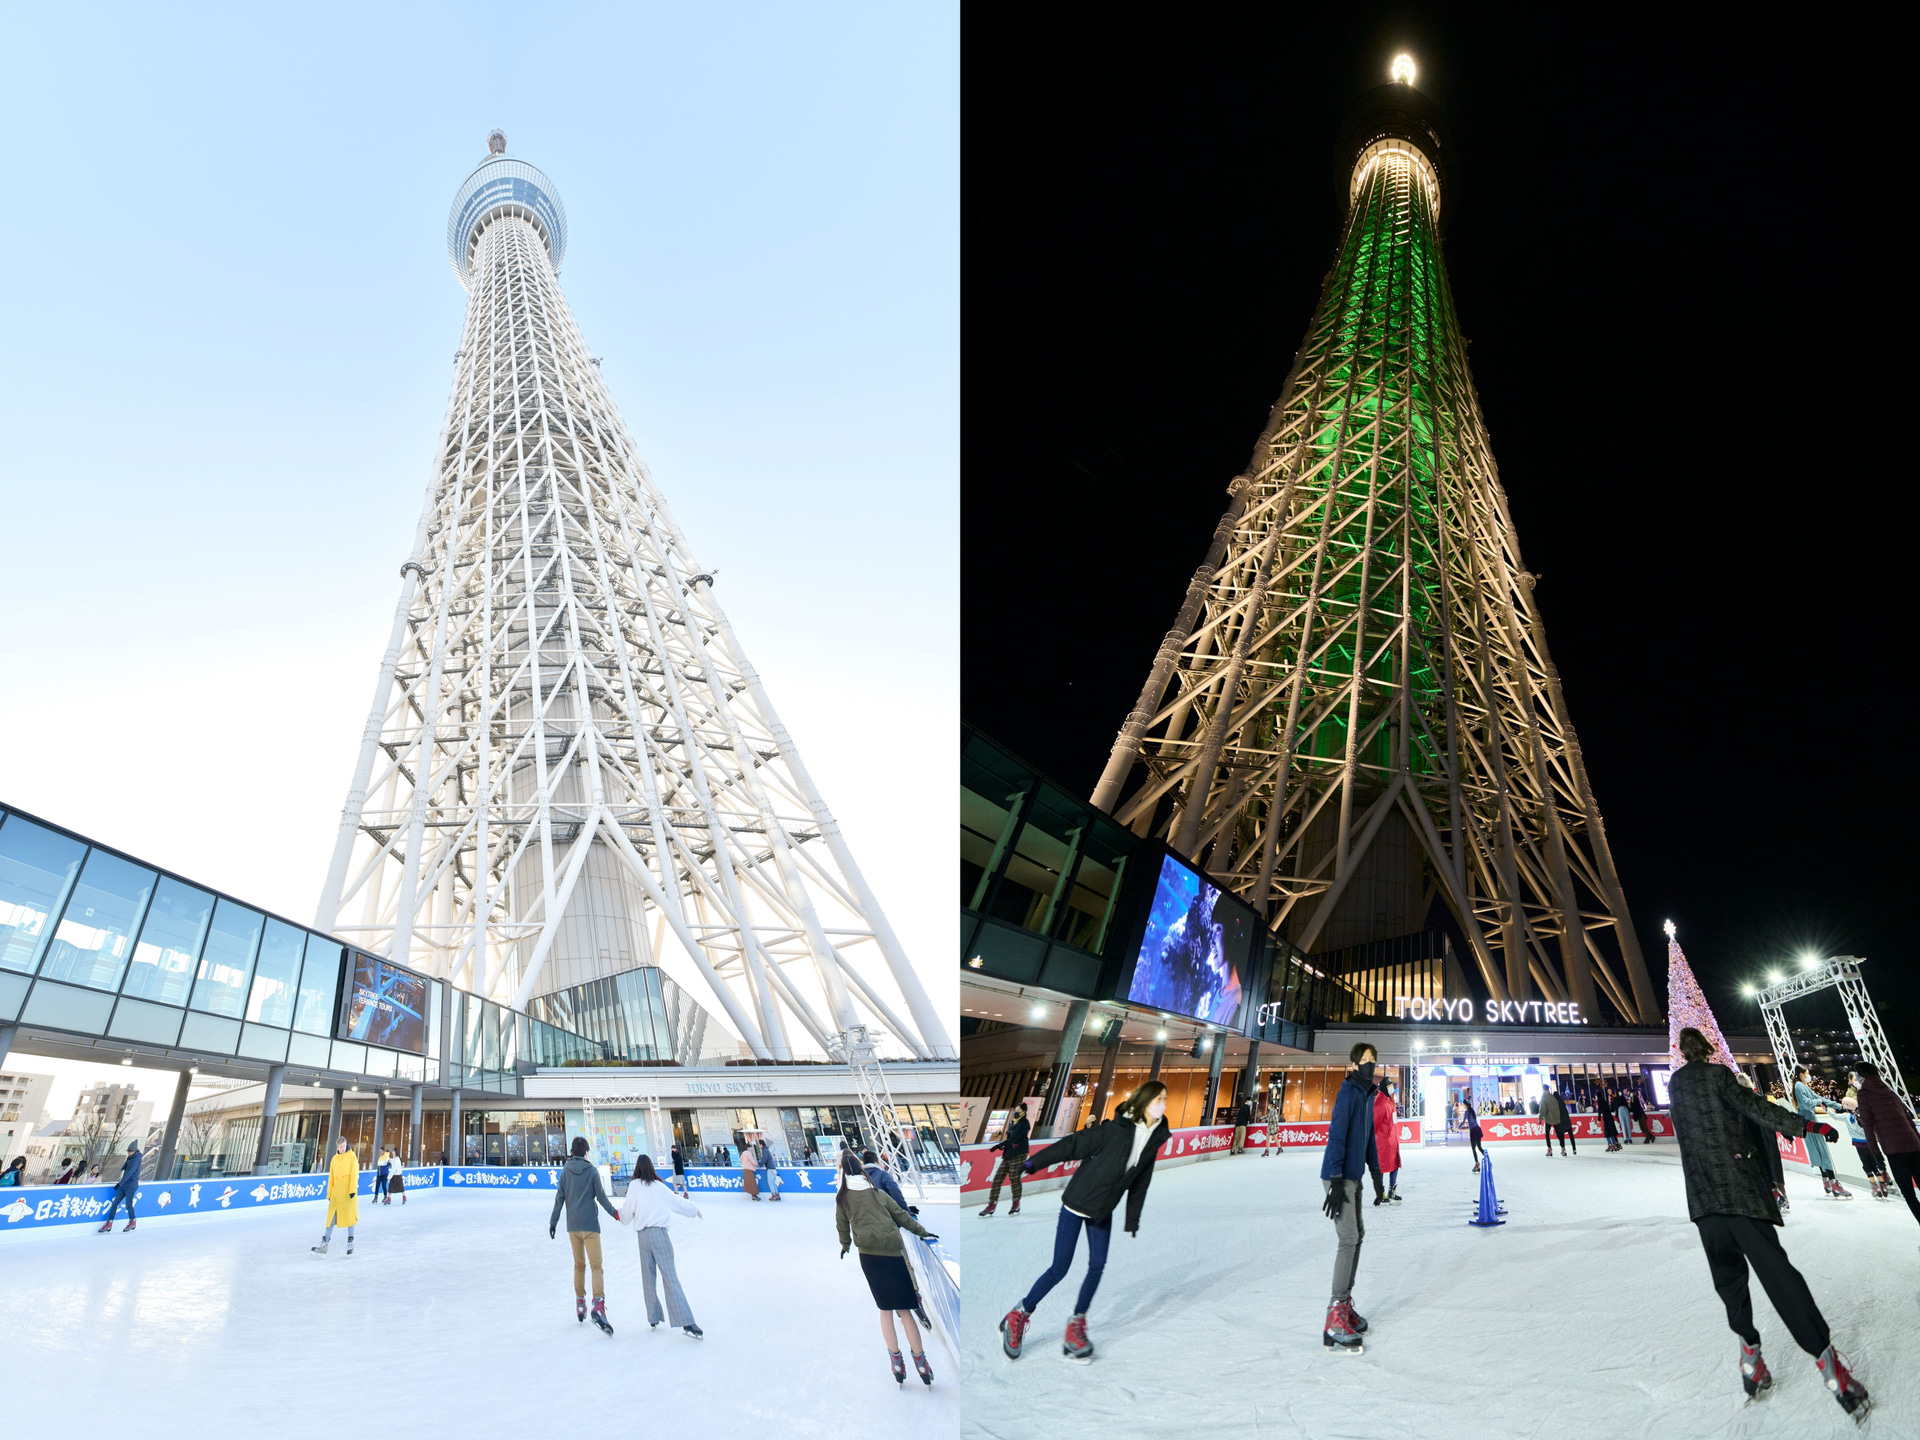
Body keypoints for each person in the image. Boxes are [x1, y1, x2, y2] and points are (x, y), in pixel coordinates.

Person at [1668, 1027, 1867, 1416]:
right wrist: (1808, 1126)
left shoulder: (1676, 1085)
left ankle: (1751, 1362)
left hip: (1704, 1201)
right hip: (1739, 1193)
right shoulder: (1719, 1075)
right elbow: (1758, 1109)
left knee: (1729, 1282)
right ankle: (1833, 1372)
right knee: (1779, 1277)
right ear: (1706, 1049)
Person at [999, 1080, 1171, 1364]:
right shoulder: (1115, 1129)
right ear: (1144, 1101)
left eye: (1165, 1099)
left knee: (1097, 1265)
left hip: (1102, 1209)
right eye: (1157, 1099)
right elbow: (1073, 1144)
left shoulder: (1154, 1137)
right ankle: (1019, 1314)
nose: (1162, 1104)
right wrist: (1034, 1162)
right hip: (1077, 1203)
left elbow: (1141, 1180)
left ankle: (1076, 1324)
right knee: (1059, 1268)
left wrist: (1132, 1218)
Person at [837, 1148, 939, 1385]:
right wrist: (923, 1232)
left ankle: (896, 1363)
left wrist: (845, 1245)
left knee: (885, 1310)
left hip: (869, 1257)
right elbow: (902, 1216)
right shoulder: (877, 1194)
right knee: (904, 1310)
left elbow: (841, 1225)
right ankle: (921, 1364)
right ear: (861, 1171)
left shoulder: (842, 1199)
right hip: (893, 1254)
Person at [1317, 1044, 1380, 1353]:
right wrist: (1336, 1179)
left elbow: (1368, 1139)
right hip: (1340, 1177)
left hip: (1354, 1177)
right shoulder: (1349, 1093)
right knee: (1348, 1238)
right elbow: (1337, 1135)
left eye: (1373, 1060)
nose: (1369, 1065)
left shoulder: (1368, 1095)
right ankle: (1335, 1315)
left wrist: (1376, 1173)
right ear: (1353, 1064)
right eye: (1364, 1060)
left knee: (1358, 1235)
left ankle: (1345, 1305)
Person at [618, 1154, 705, 1337]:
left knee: (648, 1277)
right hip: (659, 1235)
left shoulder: (634, 1186)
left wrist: (618, 1216)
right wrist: (694, 1209)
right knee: (670, 1276)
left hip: (642, 1237)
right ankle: (687, 1322)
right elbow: (678, 1203)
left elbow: (626, 1212)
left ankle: (653, 1316)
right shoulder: (660, 1187)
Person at [549, 1135, 620, 1333]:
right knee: (596, 1266)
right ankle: (597, 1304)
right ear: (586, 1152)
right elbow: (601, 1198)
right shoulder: (591, 1171)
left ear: (572, 1151)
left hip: (573, 1227)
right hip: (590, 1226)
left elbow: (559, 1199)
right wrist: (615, 1213)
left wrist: (553, 1222)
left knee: (579, 1266)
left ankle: (580, 1304)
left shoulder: (565, 1171)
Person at [1851, 1062, 1920, 1231]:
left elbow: (1868, 1126)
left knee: (1909, 1194)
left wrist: (1876, 1154)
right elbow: (1909, 1119)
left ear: (1861, 1076)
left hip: (1894, 1149)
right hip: (1914, 1145)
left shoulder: (1864, 1094)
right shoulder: (1889, 1091)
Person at [1735, 1072, 1789, 1214]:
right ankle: (1782, 1197)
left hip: (1755, 1142)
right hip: (1768, 1139)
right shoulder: (1759, 1098)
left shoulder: (1740, 1104)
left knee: (1761, 1170)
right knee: (1774, 1169)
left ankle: (1772, 1199)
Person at [1792, 1067, 1849, 1197]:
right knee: (1822, 1151)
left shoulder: (1802, 1086)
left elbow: (1820, 1099)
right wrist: (1818, 1102)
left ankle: (1827, 1182)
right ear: (1801, 1074)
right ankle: (1833, 1183)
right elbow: (1807, 1103)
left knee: (1819, 1151)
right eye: (1807, 1073)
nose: (1809, 1075)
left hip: (1808, 1120)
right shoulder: (1799, 1086)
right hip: (1809, 1122)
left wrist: (1838, 1106)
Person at [978, 1105, 1030, 1215]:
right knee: (997, 1179)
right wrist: (1003, 1146)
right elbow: (1010, 1138)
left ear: (1023, 1112)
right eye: (1015, 1110)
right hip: (1008, 1154)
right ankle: (991, 1205)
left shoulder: (1024, 1123)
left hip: (1019, 1153)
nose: (1015, 1112)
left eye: (1018, 1110)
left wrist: (999, 1145)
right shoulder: (1013, 1123)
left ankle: (1016, 1203)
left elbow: (1015, 1138)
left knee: (1014, 1179)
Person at [312, 1139, 359, 1256]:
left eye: (344, 1146)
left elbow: (354, 1173)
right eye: (340, 1147)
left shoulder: (352, 1157)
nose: (343, 1148)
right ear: (337, 1147)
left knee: (350, 1218)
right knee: (330, 1219)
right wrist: (329, 1193)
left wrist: (352, 1189)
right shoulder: (334, 1159)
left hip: (348, 1193)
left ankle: (350, 1243)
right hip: (336, 1194)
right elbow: (331, 1178)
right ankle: (324, 1244)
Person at [96, 1141, 142, 1234]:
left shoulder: (136, 1159)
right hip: (124, 1185)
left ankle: (132, 1221)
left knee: (128, 1204)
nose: (129, 1153)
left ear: (135, 1151)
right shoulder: (130, 1158)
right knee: (114, 1203)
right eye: (128, 1151)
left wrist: (120, 1183)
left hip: (131, 1185)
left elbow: (130, 1172)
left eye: (130, 1151)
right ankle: (109, 1223)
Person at [1371, 1079, 1402, 1204]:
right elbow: (1374, 1123)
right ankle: (1381, 1193)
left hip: (1392, 1140)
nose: (1391, 1088)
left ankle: (1392, 1190)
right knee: (1381, 1167)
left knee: (1395, 1164)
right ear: (1384, 1087)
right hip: (1382, 1142)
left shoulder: (1390, 1100)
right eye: (1389, 1086)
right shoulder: (1380, 1102)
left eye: (1392, 1085)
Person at [1540, 1084, 1574, 1157]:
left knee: (1547, 1134)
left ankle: (1549, 1149)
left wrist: (1540, 1118)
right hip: (1556, 1118)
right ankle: (1563, 1149)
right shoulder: (1553, 1097)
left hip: (1548, 1119)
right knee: (1559, 1134)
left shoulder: (1544, 1097)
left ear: (1543, 1089)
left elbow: (1543, 1108)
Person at [1262, 1083, 1285, 1156]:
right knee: (1274, 1137)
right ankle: (1279, 1148)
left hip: (1272, 1127)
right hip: (1272, 1127)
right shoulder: (1272, 1110)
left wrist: (1277, 1126)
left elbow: (1274, 1119)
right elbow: (1269, 1116)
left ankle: (1267, 1150)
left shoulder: (1274, 1110)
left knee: (1269, 1137)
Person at [1465, 1099, 1483, 1172]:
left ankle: (1477, 1164)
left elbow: (1464, 1121)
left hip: (1473, 1130)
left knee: (1473, 1149)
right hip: (1478, 1129)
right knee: (1479, 1147)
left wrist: (1459, 1126)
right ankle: (1488, 1159)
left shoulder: (1467, 1112)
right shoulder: (1472, 1111)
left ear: (1466, 1105)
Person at [740, 1135, 760, 1201]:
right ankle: (754, 1195)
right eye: (751, 1147)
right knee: (752, 1183)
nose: (751, 1149)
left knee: (749, 1183)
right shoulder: (748, 1153)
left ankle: (753, 1195)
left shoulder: (743, 1153)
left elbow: (741, 1160)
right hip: (749, 1169)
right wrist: (757, 1164)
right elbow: (752, 1161)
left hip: (745, 1169)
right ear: (748, 1148)